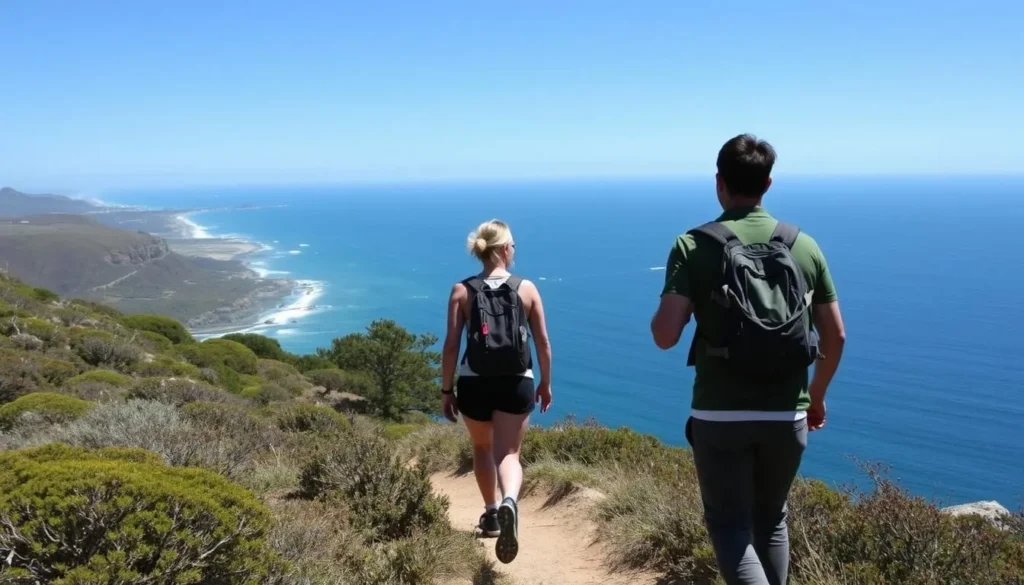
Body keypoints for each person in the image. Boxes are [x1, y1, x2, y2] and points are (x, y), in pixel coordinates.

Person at [650, 134, 847, 585]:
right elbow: (835, 336)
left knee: (730, 527)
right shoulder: (804, 246)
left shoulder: (692, 245)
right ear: (768, 183)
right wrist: (814, 397)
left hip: (719, 414)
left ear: (719, 183)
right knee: (771, 519)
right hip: (787, 413)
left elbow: (665, 336)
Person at [440, 219, 553, 565]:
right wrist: (545, 383)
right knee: (509, 455)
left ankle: (490, 513)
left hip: (474, 382)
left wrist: (446, 389)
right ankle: (510, 502)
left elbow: (450, 346)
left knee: (482, 446)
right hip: (517, 380)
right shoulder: (527, 289)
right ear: (505, 250)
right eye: (513, 245)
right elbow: (543, 343)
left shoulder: (462, 291)